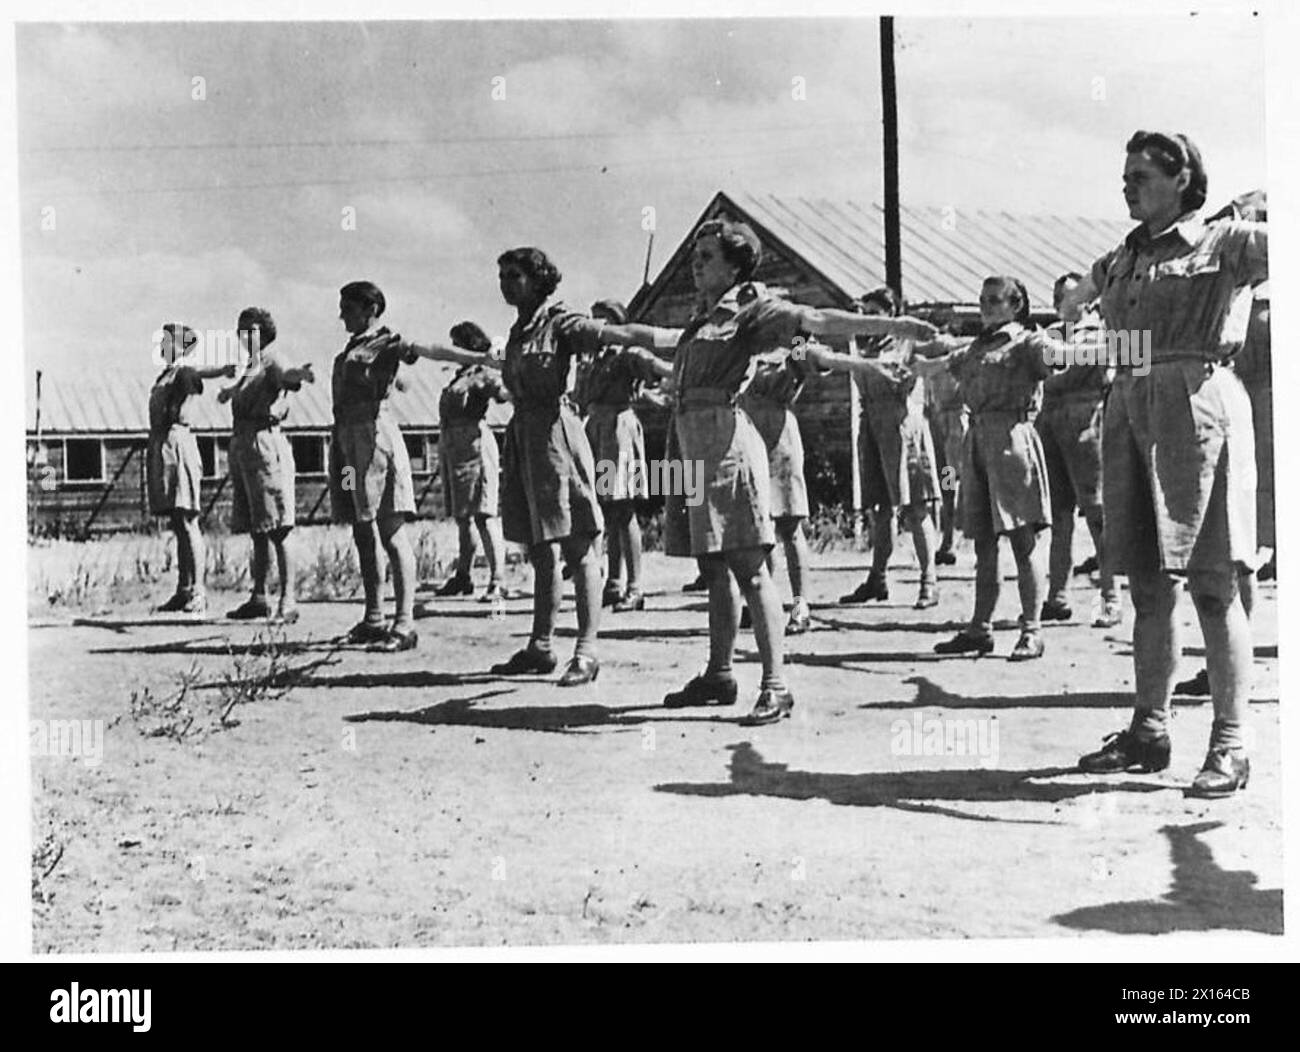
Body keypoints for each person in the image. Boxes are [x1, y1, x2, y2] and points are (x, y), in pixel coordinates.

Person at [589, 219, 936, 723]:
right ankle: (719, 673)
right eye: (694, 255)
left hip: (727, 443)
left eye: (707, 257)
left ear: (735, 266)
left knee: (750, 566)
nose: (695, 265)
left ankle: (776, 685)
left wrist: (895, 328)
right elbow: (651, 336)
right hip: (687, 444)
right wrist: (596, 331)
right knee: (711, 568)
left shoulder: (754, 310)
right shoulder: (700, 318)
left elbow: (816, 323)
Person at [1068, 131, 1266, 798]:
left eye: (1142, 175)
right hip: (1132, 406)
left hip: (1197, 411)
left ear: (1182, 180)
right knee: (1150, 588)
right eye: (1125, 175)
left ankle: (1231, 746)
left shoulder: (1228, 242)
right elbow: (1104, 324)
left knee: (1213, 585)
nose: (1128, 185)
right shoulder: (1122, 258)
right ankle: (1148, 730)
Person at [328, 280, 480, 652]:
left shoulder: (387, 342)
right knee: (362, 529)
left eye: (348, 308)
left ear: (370, 309)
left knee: (389, 530)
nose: (341, 315)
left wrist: (479, 360)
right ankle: (374, 617)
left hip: (374, 442)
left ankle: (404, 622)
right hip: (346, 445)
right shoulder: (353, 347)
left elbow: (429, 349)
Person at [918, 276, 1054, 661]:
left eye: (995, 301)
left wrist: (1138, 349)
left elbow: (1070, 355)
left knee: (1023, 540)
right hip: (976, 442)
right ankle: (980, 628)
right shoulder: (975, 348)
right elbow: (937, 362)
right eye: (983, 300)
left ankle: (1032, 630)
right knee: (983, 542)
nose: (986, 307)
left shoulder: (1028, 343)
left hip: (1013, 442)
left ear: (1016, 305)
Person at [834, 287, 943, 610]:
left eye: (874, 312)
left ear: (891, 314)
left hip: (902, 425)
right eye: (863, 312)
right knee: (879, 508)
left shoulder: (907, 342)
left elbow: (912, 373)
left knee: (915, 506)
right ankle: (877, 579)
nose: (867, 319)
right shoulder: (861, 345)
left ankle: (929, 581)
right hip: (871, 425)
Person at [218, 307, 316, 624]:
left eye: (251, 329)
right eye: (240, 329)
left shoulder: (273, 358)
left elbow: (286, 376)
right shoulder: (252, 364)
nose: (244, 335)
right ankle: (259, 597)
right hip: (245, 445)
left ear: (265, 331)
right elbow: (246, 391)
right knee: (257, 528)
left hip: (265, 445)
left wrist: (298, 375)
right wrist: (229, 391)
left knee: (278, 526)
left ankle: (288, 601)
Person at [575, 298, 671, 612]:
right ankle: (614, 583)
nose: (597, 327)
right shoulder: (594, 359)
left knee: (623, 507)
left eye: (603, 321)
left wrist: (673, 378)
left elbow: (656, 367)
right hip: (598, 429)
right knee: (609, 508)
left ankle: (634, 586)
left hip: (618, 430)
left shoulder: (627, 355)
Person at [1037, 274, 1121, 628]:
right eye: (1060, 298)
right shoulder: (1051, 333)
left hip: (1087, 419)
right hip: (1051, 420)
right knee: (1058, 515)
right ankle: (1057, 596)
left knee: (1098, 512)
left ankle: (1111, 597)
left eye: (1073, 297)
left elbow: (1137, 358)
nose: (1067, 304)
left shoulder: (1104, 331)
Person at [735, 284, 818, 634]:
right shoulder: (740, 350)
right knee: (759, 523)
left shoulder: (791, 348)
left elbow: (807, 360)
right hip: (746, 435)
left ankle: (801, 604)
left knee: (789, 524)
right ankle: (762, 602)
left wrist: (798, 331)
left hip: (779, 435)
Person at [147, 324, 236, 615]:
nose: (162, 346)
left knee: (187, 520)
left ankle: (199, 591)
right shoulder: (167, 374)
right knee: (176, 520)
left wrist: (223, 370)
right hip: (163, 444)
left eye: (168, 342)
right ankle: (183, 590)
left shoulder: (184, 372)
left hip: (177, 444)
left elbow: (199, 374)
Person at [432, 321, 510, 602]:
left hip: (475, 446)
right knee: (463, 518)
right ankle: (463, 576)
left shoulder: (482, 373)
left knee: (484, 515)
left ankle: (498, 580)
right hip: (454, 448)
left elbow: (503, 393)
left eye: (456, 343)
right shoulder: (459, 375)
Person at [924, 325, 968, 567]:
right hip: (937, 421)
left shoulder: (954, 354)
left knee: (961, 480)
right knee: (945, 483)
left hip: (956, 422)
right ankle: (947, 540)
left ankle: (961, 538)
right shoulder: (930, 360)